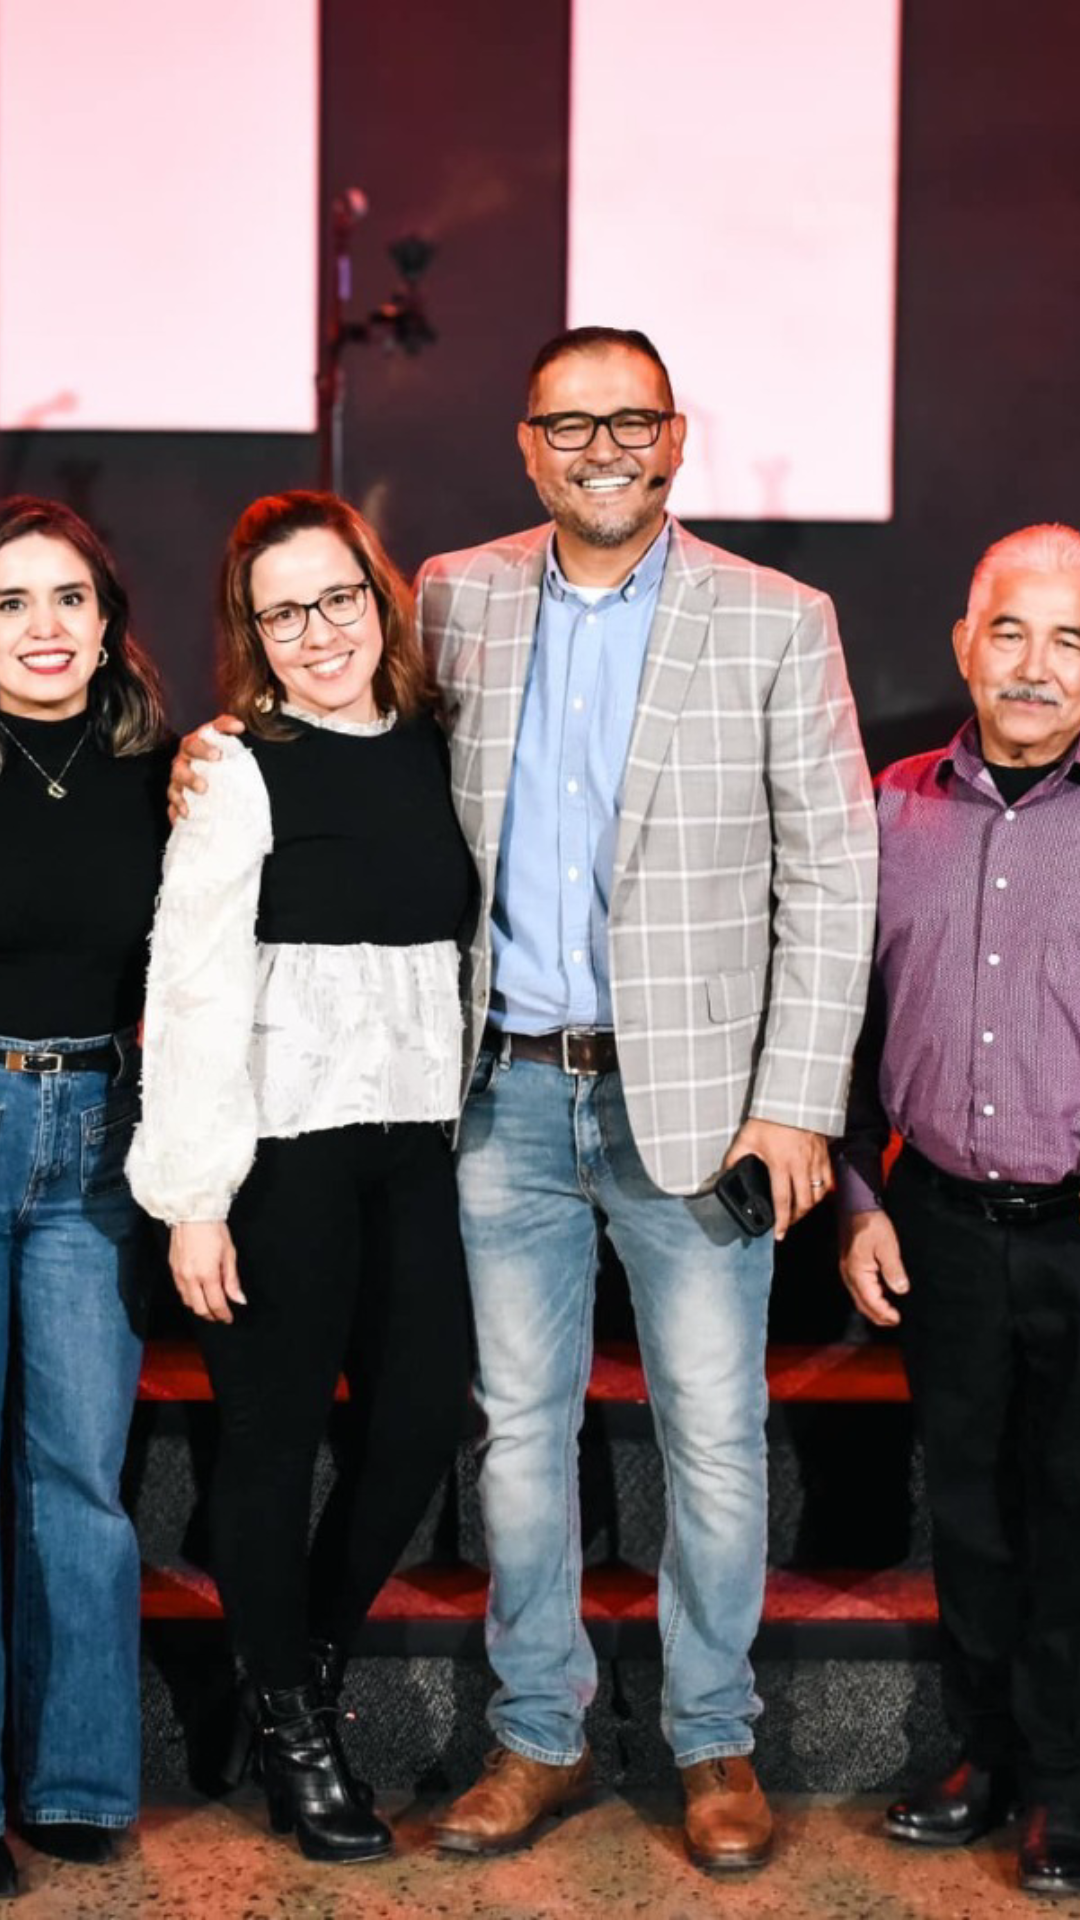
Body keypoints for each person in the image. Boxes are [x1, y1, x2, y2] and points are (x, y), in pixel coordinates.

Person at [172, 328, 877, 1872]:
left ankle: (713, 1740)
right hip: (499, 1100)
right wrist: (220, 747)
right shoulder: (456, 595)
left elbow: (834, 875)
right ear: (527, 446)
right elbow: (348, 733)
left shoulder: (778, 617)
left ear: (675, 438)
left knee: (715, 1437)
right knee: (515, 1438)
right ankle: (539, 1734)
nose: (601, 447)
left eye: (631, 421)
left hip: (700, 1108)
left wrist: (797, 1104)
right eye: (570, 424)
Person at [128, 491, 474, 1867]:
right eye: (283, 615)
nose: (318, 633)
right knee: (269, 1448)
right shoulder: (234, 767)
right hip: (281, 1153)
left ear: (379, 600)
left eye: (338, 599)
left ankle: (303, 1662)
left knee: (418, 1423)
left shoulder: (443, 744)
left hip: (418, 1144)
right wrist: (196, 1197)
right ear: (251, 634)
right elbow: (191, 985)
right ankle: (294, 1728)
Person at [836, 524, 1080, 1900]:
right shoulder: (889, 810)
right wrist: (858, 1197)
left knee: (1074, 1514)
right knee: (973, 1513)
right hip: (938, 1221)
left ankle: (1066, 1786)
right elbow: (836, 1023)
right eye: (1012, 632)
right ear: (963, 646)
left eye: (1072, 640)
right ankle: (987, 1757)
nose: (1037, 666)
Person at [0, 495, 171, 1890]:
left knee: (80, 1476)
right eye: (7, 604)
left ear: (109, 623)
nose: (42, 627)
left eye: (67, 597)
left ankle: (74, 1780)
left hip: (101, 1134)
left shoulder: (171, 775)